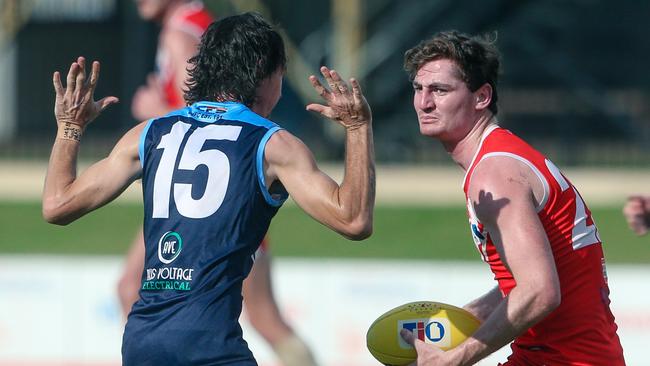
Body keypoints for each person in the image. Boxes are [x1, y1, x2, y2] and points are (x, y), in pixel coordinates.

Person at [43, 12, 374, 365]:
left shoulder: (147, 134)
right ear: (268, 73)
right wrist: (358, 127)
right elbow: (352, 220)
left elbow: (57, 205)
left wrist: (69, 126)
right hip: (210, 348)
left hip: (142, 344)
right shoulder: (272, 145)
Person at [398, 31, 625, 365]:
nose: (424, 103)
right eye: (419, 89)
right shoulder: (502, 157)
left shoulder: (495, 174)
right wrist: (466, 318)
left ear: (482, 96)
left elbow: (540, 292)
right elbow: (530, 280)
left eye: (440, 90)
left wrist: (455, 358)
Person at [124, 2, 317, 364]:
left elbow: (201, 122)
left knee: (131, 287)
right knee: (266, 318)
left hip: (208, 196)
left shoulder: (179, 35)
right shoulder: (199, 26)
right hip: (214, 190)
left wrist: (153, 112)